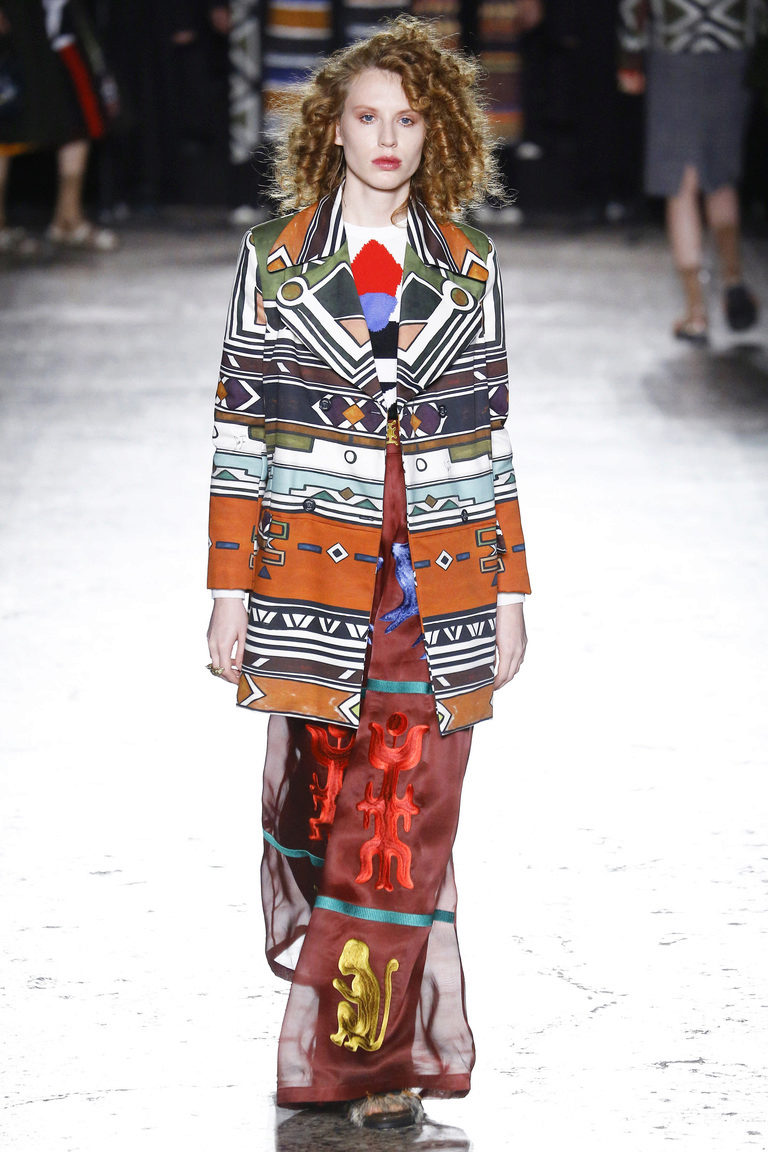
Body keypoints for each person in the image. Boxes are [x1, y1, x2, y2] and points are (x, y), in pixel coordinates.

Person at [205, 16, 530, 1131]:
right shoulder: (274, 258)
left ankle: (361, 1060)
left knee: (405, 818)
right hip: (312, 578)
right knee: (328, 811)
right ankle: (355, 1023)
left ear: (437, 134)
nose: (388, 138)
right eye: (367, 117)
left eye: (408, 120)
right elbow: (241, 435)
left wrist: (512, 593)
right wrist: (228, 592)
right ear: (331, 130)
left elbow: (488, 438)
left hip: (438, 581)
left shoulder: (470, 265)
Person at [618, 0, 765, 343]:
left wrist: (630, 55)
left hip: (676, 47)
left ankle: (696, 312)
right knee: (721, 176)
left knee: (681, 180)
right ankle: (733, 281)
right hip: (732, 48)